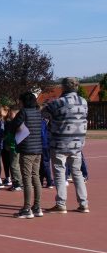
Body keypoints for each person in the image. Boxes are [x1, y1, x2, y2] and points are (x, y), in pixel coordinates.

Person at [45, 77, 89, 213]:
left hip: (60, 142)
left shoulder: (58, 102)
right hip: (77, 143)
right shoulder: (83, 101)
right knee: (77, 173)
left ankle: (61, 204)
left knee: (59, 173)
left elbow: (43, 114)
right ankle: (83, 203)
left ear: (63, 87)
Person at [7, 91, 44, 218]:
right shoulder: (38, 112)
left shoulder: (23, 112)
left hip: (27, 149)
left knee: (27, 179)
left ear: (24, 102)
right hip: (38, 149)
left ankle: (27, 208)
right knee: (36, 177)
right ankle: (37, 207)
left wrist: (14, 125)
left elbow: (12, 126)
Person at [2, 108, 23, 191]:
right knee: (13, 165)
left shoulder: (18, 123)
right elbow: (10, 135)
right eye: (10, 113)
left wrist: (11, 144)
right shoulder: (12, 123)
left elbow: (17, 136)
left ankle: (18, 183)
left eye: (11, 114)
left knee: (14, 165)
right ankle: (16, 182)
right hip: (12, 146)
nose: (10, 115)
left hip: (15, 147)